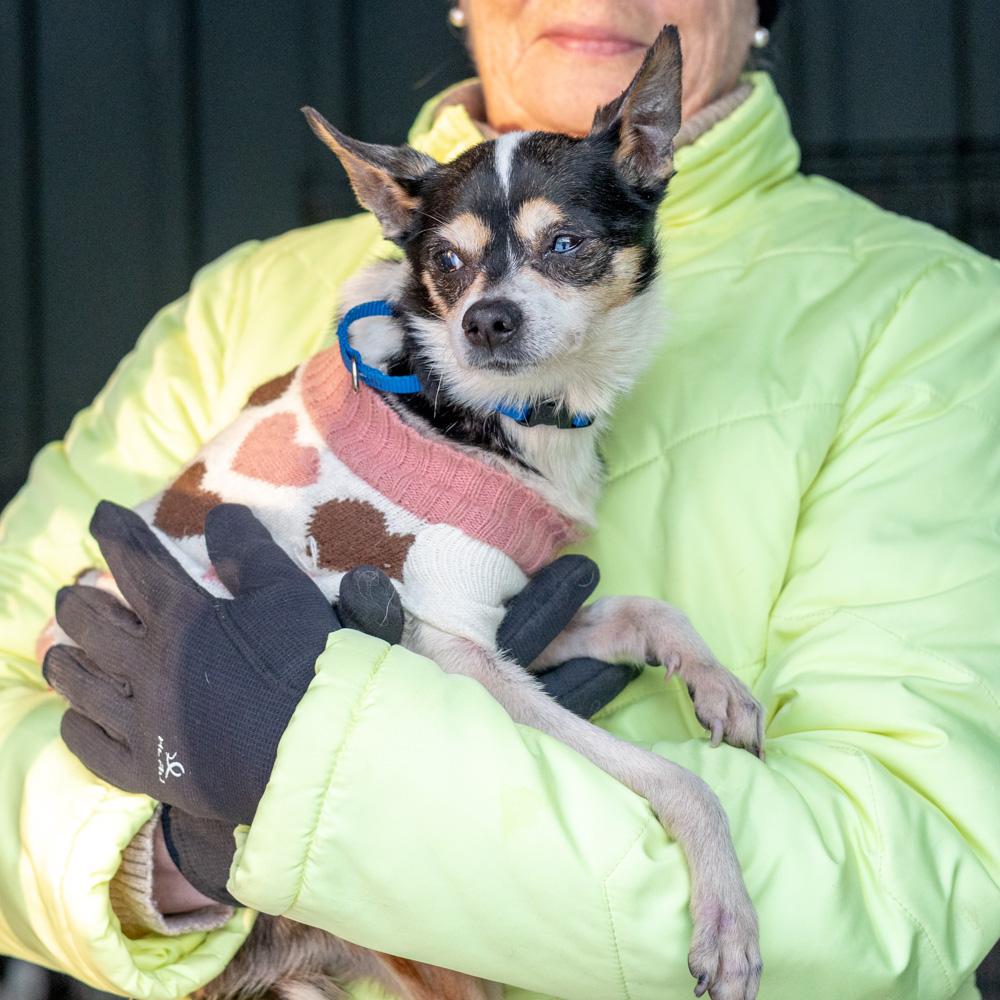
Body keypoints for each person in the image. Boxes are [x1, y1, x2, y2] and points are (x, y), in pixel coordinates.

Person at [1, 0, 998, 997]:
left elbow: (901, 888)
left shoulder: (933, 320)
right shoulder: (238, 305)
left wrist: (327, 769)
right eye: (452, 265)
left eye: (562, 248)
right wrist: (173, 855)